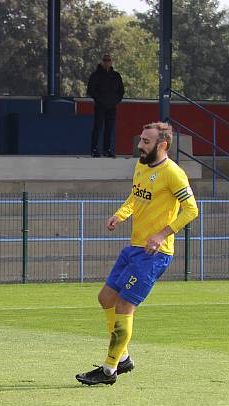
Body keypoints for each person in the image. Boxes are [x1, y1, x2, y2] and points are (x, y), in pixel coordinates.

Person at [76, 122, 198, 385]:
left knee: (124, 305)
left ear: (162, 145)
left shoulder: (173, 174)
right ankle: (123, 358)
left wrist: (162, 234)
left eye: (146, 141)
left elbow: (191, 210)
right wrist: (120, 215)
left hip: (154, 253)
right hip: (134, 247)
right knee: (106, 298)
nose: (140, 145)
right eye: (141, 139)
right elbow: (135, 196)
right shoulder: (142, 166)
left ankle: (109, 371)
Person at [87, 53, 124, 158]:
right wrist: (99, 100)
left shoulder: (116, 76)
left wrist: (115, 100)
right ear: (102, 61)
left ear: (111, 62)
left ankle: (106, 149)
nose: (107, 62)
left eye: (109, 60)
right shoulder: (96, 75)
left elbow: (121, 90)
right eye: (105, 60)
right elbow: (90, 90)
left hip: (112, 106)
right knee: (97, 127)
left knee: (109, 128)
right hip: (100, 106)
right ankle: (94, 149)